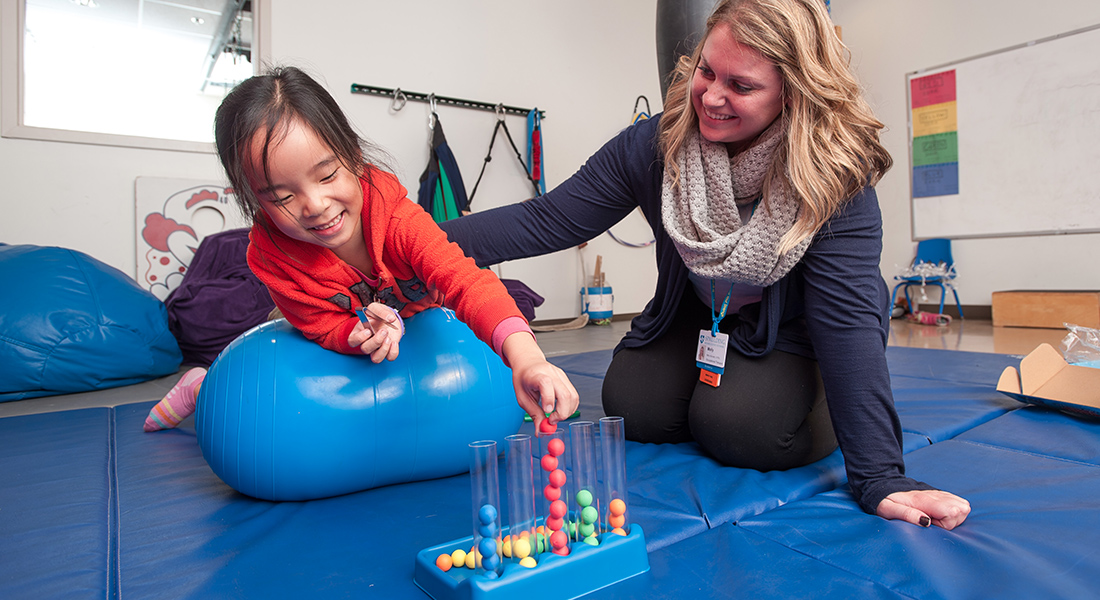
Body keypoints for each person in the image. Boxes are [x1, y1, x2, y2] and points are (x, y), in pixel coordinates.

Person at [440, 0, 971, 530]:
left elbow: (848, 324)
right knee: (635, 407)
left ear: (794, 94)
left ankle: (813, 393)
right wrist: (404, 250)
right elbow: (546, 219)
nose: (711, 97)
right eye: (706, 71)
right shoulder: (658, 142)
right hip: (702, 314)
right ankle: (730, 381)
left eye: (740, 86)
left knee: (743, 428)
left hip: (798, 328)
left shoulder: (834, 175)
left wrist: (880, 476)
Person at [144, 66, 578, 434]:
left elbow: (464, 279)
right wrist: (352, 336)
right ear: (253, 200)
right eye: (281, 197)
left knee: (507, 310)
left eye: (327, 175)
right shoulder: (271, 258)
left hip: (420, 323)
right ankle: (203, 386)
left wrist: (529, 361)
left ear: (353, 156)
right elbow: (319, 327)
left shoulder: (398, 221)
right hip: (342, 344)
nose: (315, 206)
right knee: (264, 388)